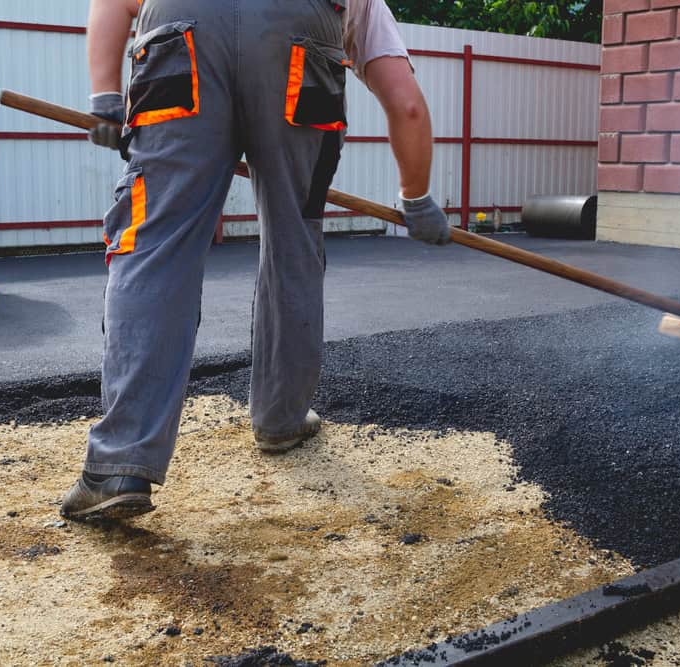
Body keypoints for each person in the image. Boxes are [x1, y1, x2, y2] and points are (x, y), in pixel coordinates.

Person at [61, 0, 450, 520]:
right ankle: (281, 419)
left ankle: (119, 465)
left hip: (184, 35)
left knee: (157, 246)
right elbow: (406, 106)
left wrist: (106, 96)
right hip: (299, 53)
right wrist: (417, 199)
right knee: (294, 242)